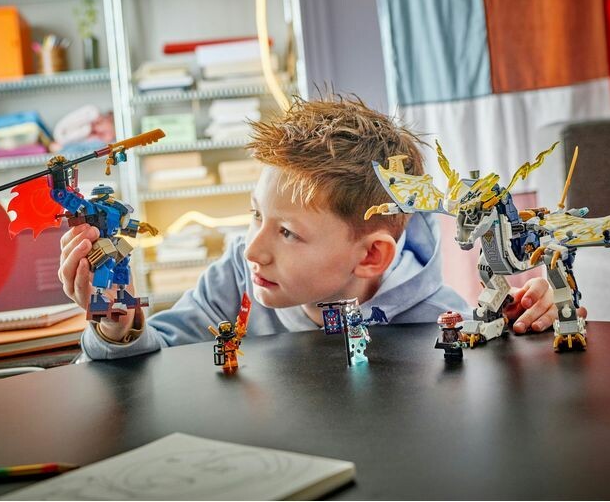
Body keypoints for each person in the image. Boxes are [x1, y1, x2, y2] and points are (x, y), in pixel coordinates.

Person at [59, 97, 580, 360]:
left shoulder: (436, 317)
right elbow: (158, 356)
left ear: (371, 256)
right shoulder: (235, 281)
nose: (252, 249)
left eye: (287, 232)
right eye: (256, 215)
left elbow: (495, 374)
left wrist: (532, 321)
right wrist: (116, 326)